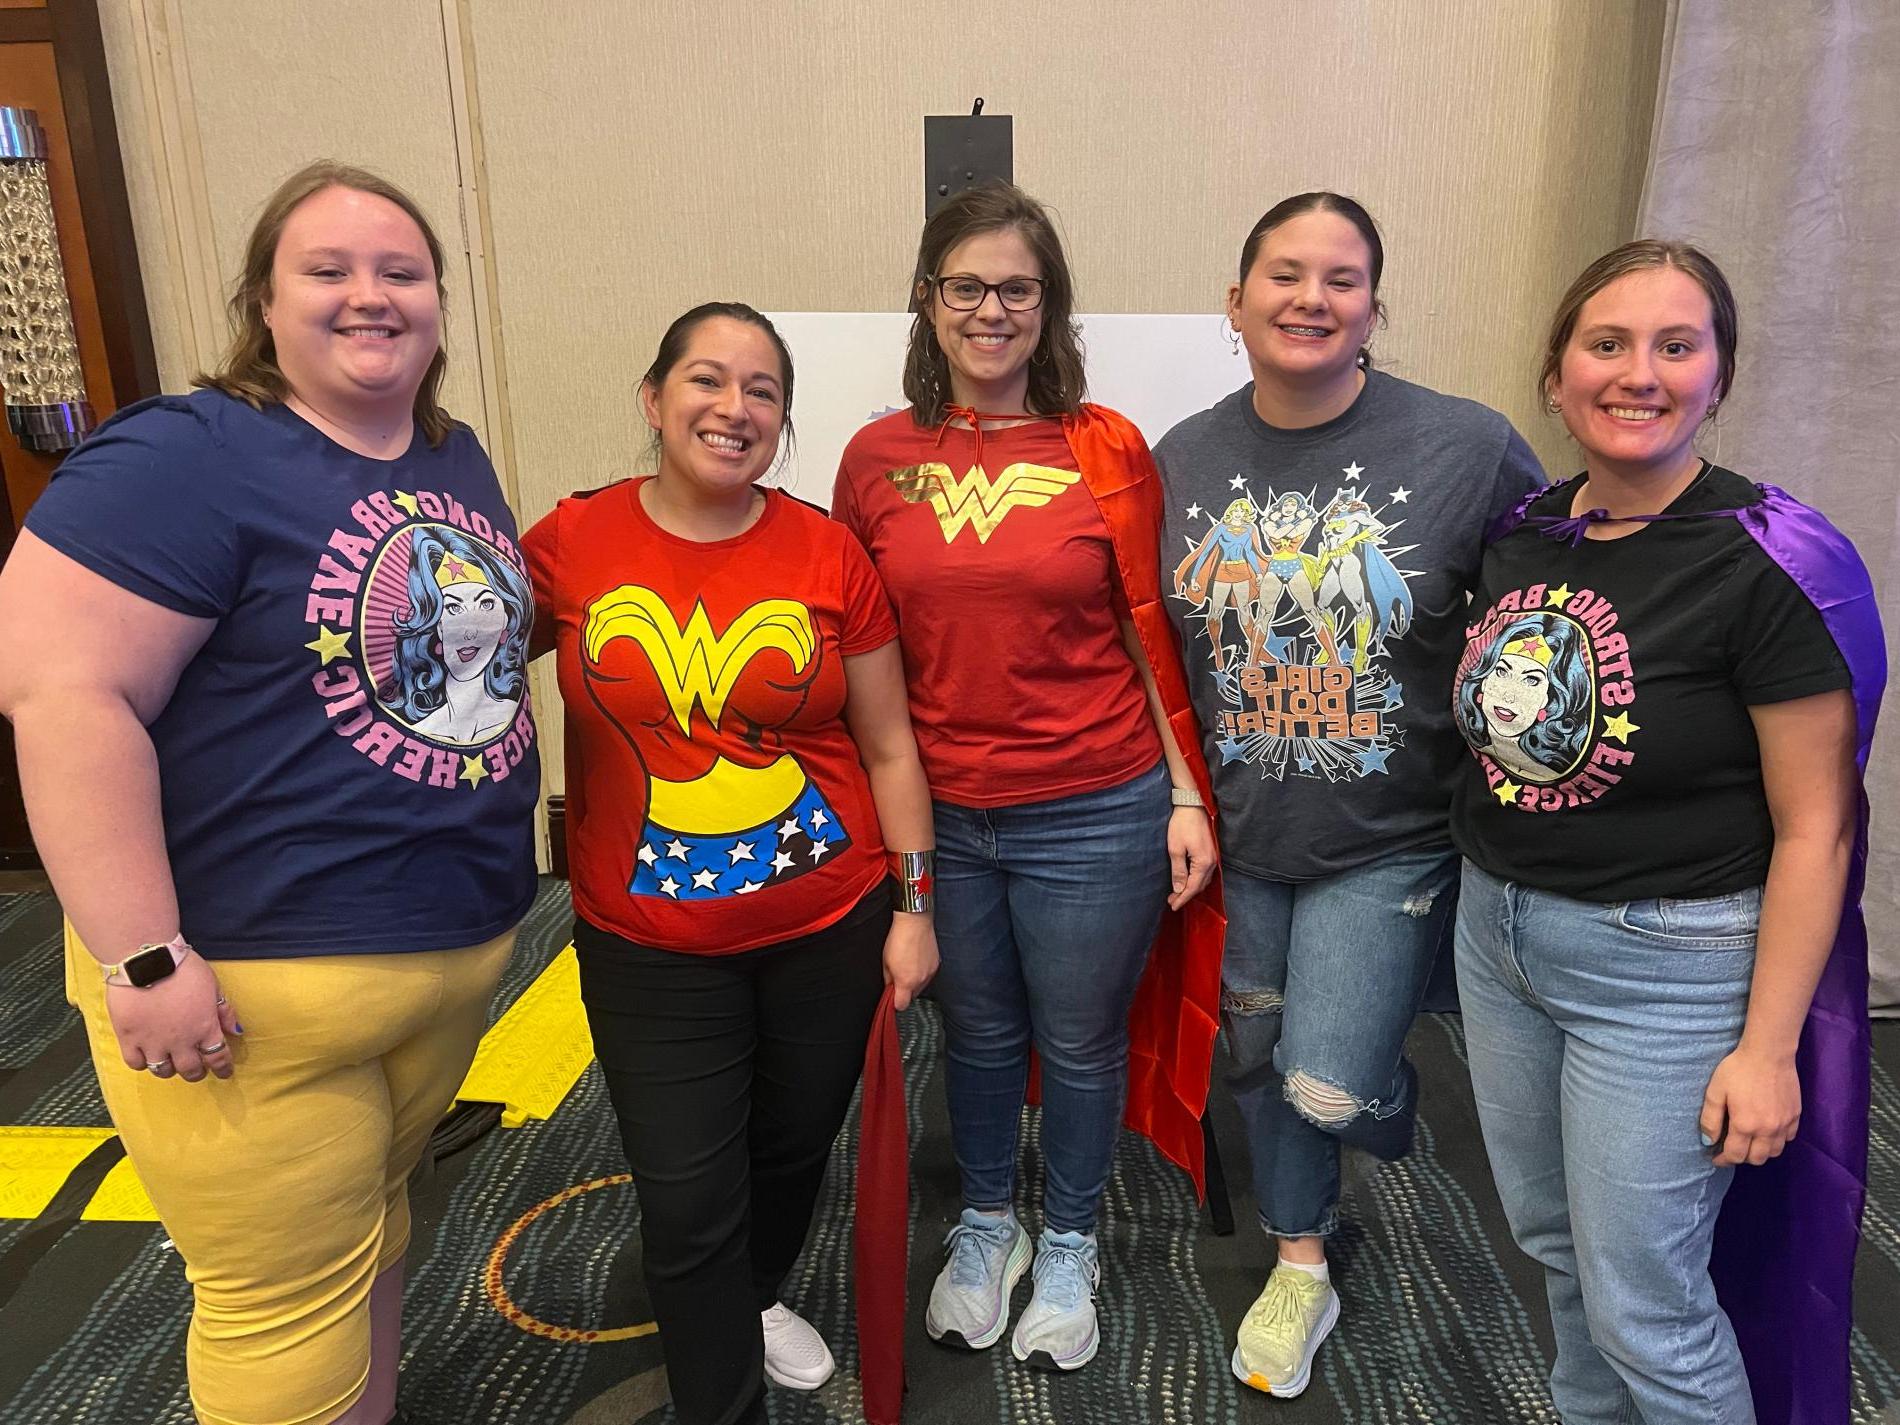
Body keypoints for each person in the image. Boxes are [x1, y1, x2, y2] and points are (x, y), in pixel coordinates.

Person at [0, 161, 538, 1425]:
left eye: (400, 273)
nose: (370, 296)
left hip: (439, 954)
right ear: (260, 297)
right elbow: (65, 698)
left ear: (439, 303)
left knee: (371, 1234)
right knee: (279, 1307)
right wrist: (140, 956)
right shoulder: (182, 456)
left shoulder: (447, 455)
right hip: (245, 985)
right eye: (329, 270)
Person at [1451, 240, 1880, 1425]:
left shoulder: (1768, 563)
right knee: (1556, 1250)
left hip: (1670, 967)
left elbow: (1816, 833)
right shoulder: (1526, 535)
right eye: (1607, 343)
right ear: (1555, 374)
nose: (1638, 373)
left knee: (1646, 1302)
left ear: (1718, 377)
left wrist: (1768, 1047)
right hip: (1500, 941)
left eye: (1675, 346)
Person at [1152, 191, 1544, 1398]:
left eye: (1339, 278)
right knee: (1255, 1055)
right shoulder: (1180, 457)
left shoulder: (1465, 445)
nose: (1308, 298)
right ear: (1235, 301)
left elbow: (1558, 589)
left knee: (1322, 1073)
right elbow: (1155, 652)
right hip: (1243, 829)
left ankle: (1365, 1081)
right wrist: (1173, 798)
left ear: (1374, 307)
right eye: (1282, 274)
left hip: (1391, 834)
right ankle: (1300, 1259)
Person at [520, 301, 938, 1425]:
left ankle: (752, 1296)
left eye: (762, 392)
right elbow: (456, 669)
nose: (734, 408)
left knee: (792, 1150)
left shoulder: (825, 551)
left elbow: (890, 744)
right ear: (653, 402)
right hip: (647, 945)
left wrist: (913, 904)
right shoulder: (569, 541)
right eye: (707, 381)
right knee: (687, 1195)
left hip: (828, 924)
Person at [831, 181, 1221, 1373]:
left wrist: (1186, 793)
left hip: (1094, 803)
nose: (991, 309)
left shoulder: (1104, 449)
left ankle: (1070, 1241)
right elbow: (852, 640)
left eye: (1017, 288)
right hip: (940, 810)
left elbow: (1154, 632)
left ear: (1047, 307)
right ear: (926, 299)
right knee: (980, 1032)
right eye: (966, 286)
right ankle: (989, 1221)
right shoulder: (874, 456)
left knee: (1082, 1036)